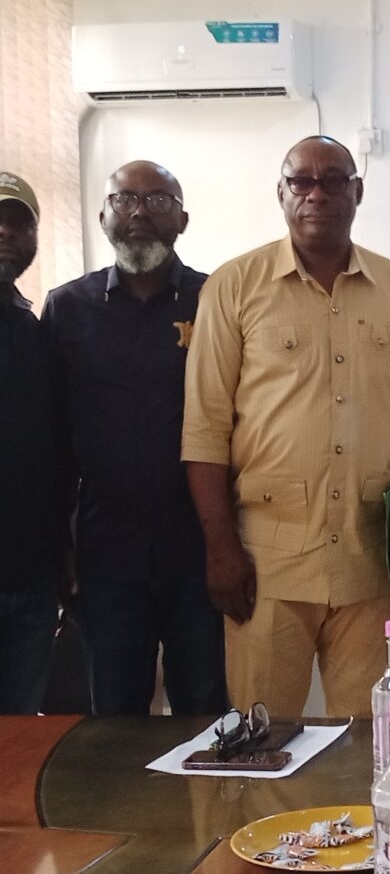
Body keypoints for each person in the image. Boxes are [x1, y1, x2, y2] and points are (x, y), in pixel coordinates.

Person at [182, 135, 390, 719]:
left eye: (334, 180)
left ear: (357, 191)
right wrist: (220, 548)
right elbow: (205, 427)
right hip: (267, 564)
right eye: (302, 182)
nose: (317, 193)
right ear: (282, 193)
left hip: (373, 565)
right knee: (262, 742)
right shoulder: (234, 286)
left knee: (372, 744)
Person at [42, 161, 227, 716]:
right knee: (115, 718)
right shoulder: (67, 308)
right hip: (106, 556)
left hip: (198, 550)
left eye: (158, 199)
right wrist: (59, 542)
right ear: (103, 215)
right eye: (124, 199)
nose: (140, 211)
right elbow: (51, 439)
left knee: (207, 711)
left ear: (183, 219)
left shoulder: (216, 300)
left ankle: (207, 806)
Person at [0, 172, 61, 714]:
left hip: (31, 579)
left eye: (17, 223)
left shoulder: (32, 328)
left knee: (17, 740)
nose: (4, 232)